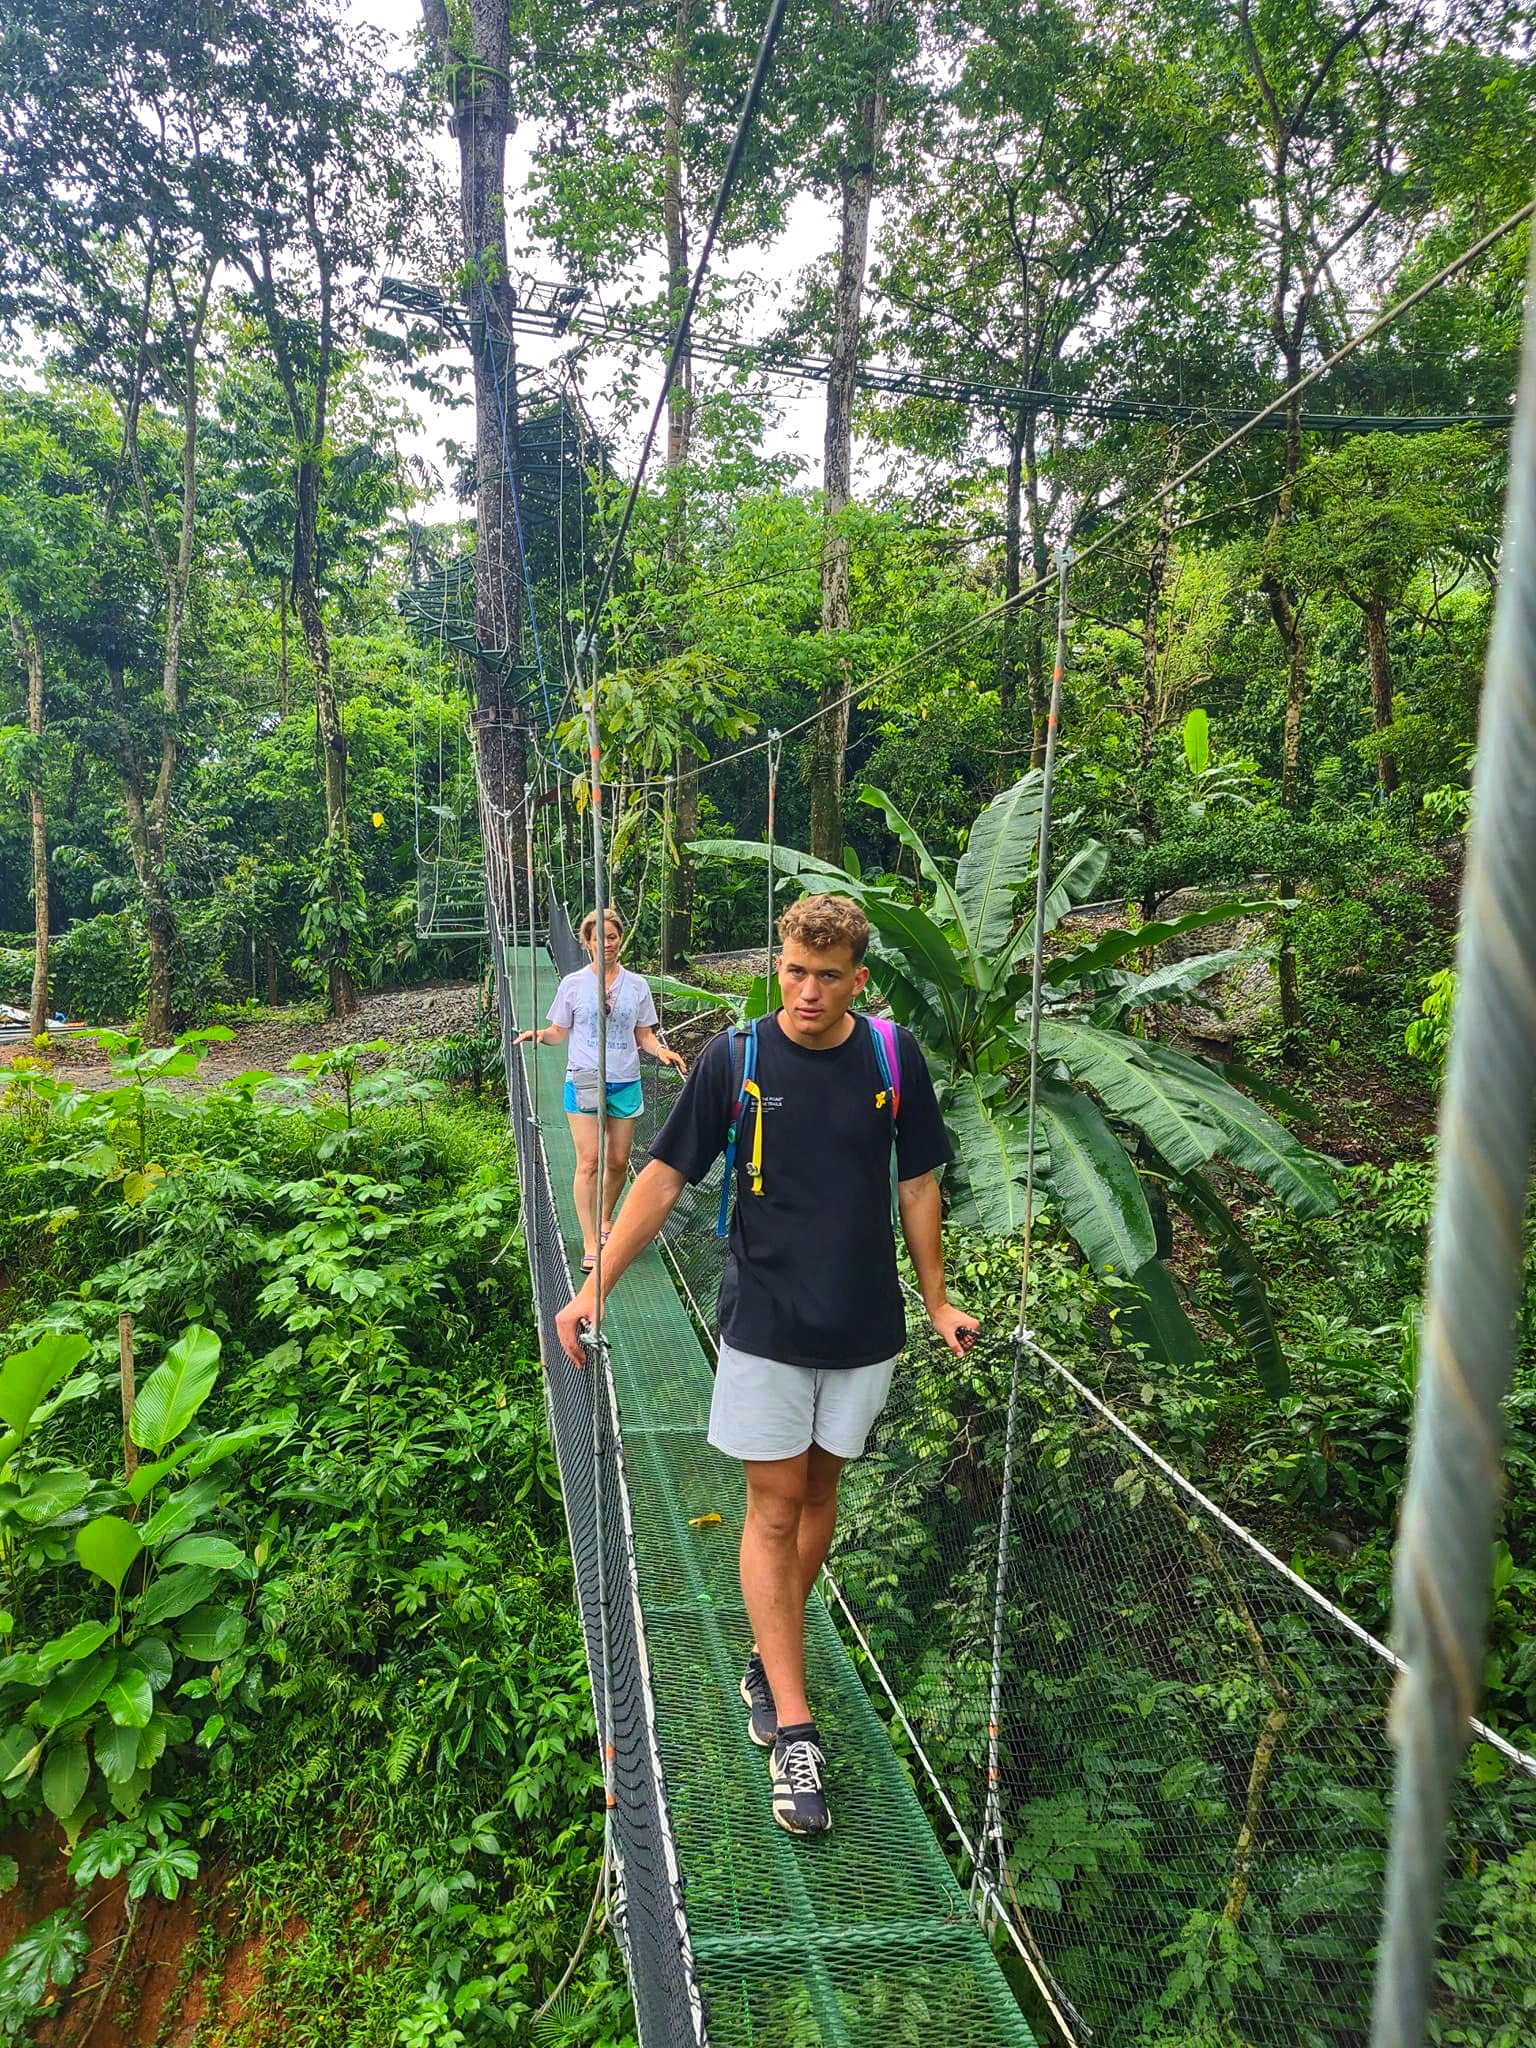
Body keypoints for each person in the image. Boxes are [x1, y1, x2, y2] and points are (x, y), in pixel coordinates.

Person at [556, 893, 978, 1837]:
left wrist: (937, 1297)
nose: (808, 990)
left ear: (858, 980)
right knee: (773, 1506)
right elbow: (662, 1179)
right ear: (776, 965)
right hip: (767, 1323)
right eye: (794, 970)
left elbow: (918, 1183)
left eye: (829, 976)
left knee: (820, 1500)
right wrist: (596, 1287)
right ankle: (794, 1726)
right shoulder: (734, 1059)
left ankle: (765, 1654)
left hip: (865, 1325)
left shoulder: (891, 1057)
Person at [517, 907, 686, 1271]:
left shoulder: (637, 986)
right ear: (587, 942)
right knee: (590, 1160)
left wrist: (662, 1051)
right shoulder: (573, 985)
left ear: (619, 939)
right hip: (584, 1077)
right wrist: (539, 1036)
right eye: (598, 938)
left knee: (619, 1161)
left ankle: (605, 1218)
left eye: (612, 937)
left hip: (625, 1079)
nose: (606, 944)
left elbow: (644, 1035)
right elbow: (558, 1031)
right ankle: (592, 1242)